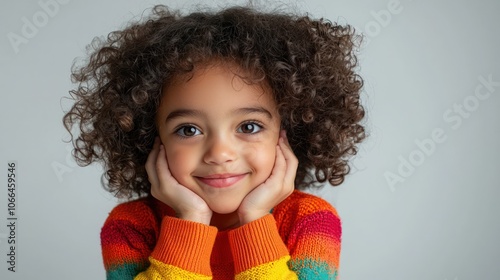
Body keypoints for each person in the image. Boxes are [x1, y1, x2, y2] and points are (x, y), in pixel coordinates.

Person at [63, 4, 365, 279]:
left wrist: (255, 221)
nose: (220, 153)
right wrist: (190, 222)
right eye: (189, 130)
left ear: (288, 131)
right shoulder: (130, 228)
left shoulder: (310, 221)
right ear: (151, 138)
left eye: (249, 126)